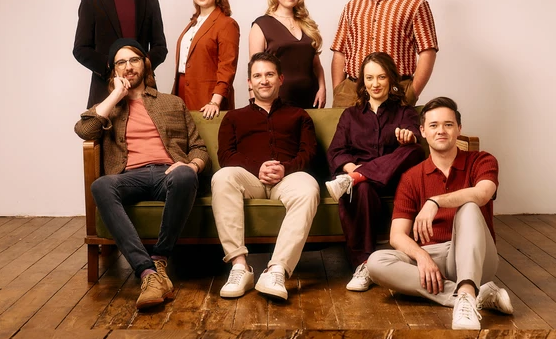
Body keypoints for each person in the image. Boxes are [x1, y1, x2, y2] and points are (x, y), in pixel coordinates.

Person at [75, 38, 209, 310]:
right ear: (115, 71)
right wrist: (115, 95)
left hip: (166, 173)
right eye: (121, 63)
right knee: (101, 185)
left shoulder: (171, 103)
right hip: (129, 176)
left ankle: (159, 259)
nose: (128, 67)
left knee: (184, 175)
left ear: (145, 65)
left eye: (133, 60)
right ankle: (147, 272)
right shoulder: (110, 107)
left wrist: (191, 165)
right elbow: (84, 131)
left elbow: (199, 147)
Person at [367, 97, 513, 330]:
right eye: (433, 126)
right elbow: (396, 236)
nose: (441, 131)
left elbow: (483, 193)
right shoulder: (412, 177)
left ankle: (467, 290)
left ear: (458, 129)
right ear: (423, 131)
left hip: (479, 256)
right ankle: (470, 296)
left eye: (448, 124)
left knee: (469, 206)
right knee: (376, 262)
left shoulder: (482, 160)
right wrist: (422, 257)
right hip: (432, 257)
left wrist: (435, 201)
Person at [211, 52, 320, 301]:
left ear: (280, 79)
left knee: (309, 187)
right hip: (250, 180)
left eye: (269, 74)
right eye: (257, 76)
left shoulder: (299, 115)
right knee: (223, 177)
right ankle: (240, 267)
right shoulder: (233, 117)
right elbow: (226, 155)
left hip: (287, 179)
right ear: (249, 82)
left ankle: (277, 270)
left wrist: (286, 168)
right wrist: (257, 168)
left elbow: (309, 152)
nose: (264, 80)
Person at [325, 52, 425, 292]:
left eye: (381, 77)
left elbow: (415, 138)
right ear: (363, 81)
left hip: (396, 181)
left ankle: (356, 178)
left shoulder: (405, 112)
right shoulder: (350, 115)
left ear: (391, 79)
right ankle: (364, 265)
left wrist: (409, 137)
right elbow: (336, 151)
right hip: (363, 186)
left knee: (415, 151)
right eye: (369, 78)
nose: (375, 83)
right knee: (363, 188)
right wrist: (351, 168)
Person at [330, 0, 438, 108]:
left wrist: (412, 93)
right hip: (351, 91)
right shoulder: (352, 5)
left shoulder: (415, 4)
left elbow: (428, 51)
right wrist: (339, 90)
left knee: (392, 135)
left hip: (395, 90)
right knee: (343, 134)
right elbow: (340, 51)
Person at [74, 0, 167, 108]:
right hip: (105, 90)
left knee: (149, 134)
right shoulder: (91, 0)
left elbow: (160, 47)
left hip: (143, 90)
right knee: (101, 134)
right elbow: (80, 49)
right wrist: (112, 66)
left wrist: (140, 67)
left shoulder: (150, 1)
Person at [248, 0, 327, 108]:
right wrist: (255, 104)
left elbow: (317, 66)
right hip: (277, 102)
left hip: (311, 99)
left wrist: (322, 89)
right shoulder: (261, 25)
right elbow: (254, 70)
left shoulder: (307, 24)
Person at [172, 0, 240, 120]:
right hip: (182, 92)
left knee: (206, 142)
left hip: (207, 98)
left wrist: (215, 102)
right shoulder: (193, 23)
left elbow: (227, 68)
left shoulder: (226, 24)